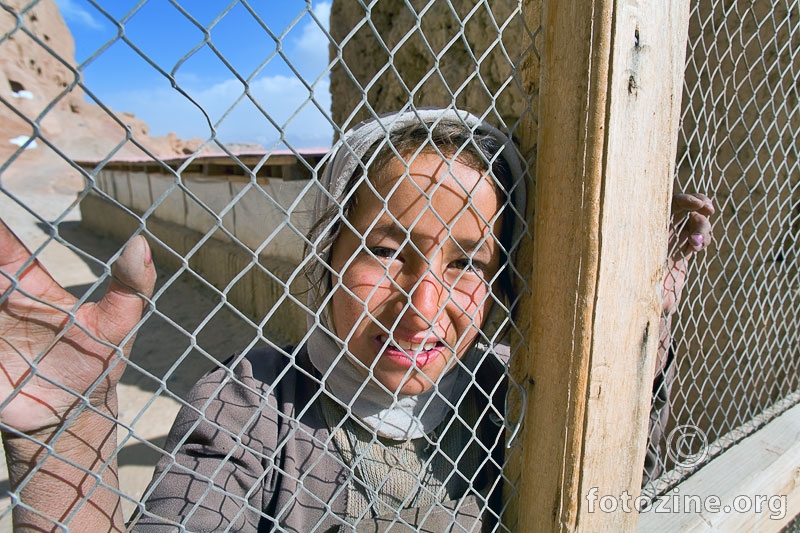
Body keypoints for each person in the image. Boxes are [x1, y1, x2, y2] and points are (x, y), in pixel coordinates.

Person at [0, 107, 714, 531]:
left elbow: (618, 489)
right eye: (385, 249)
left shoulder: (506, 393)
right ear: (325, 252)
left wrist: (634, 338)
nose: (422, 306)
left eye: (467, 263)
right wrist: (72, 438)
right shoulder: (251, 408)